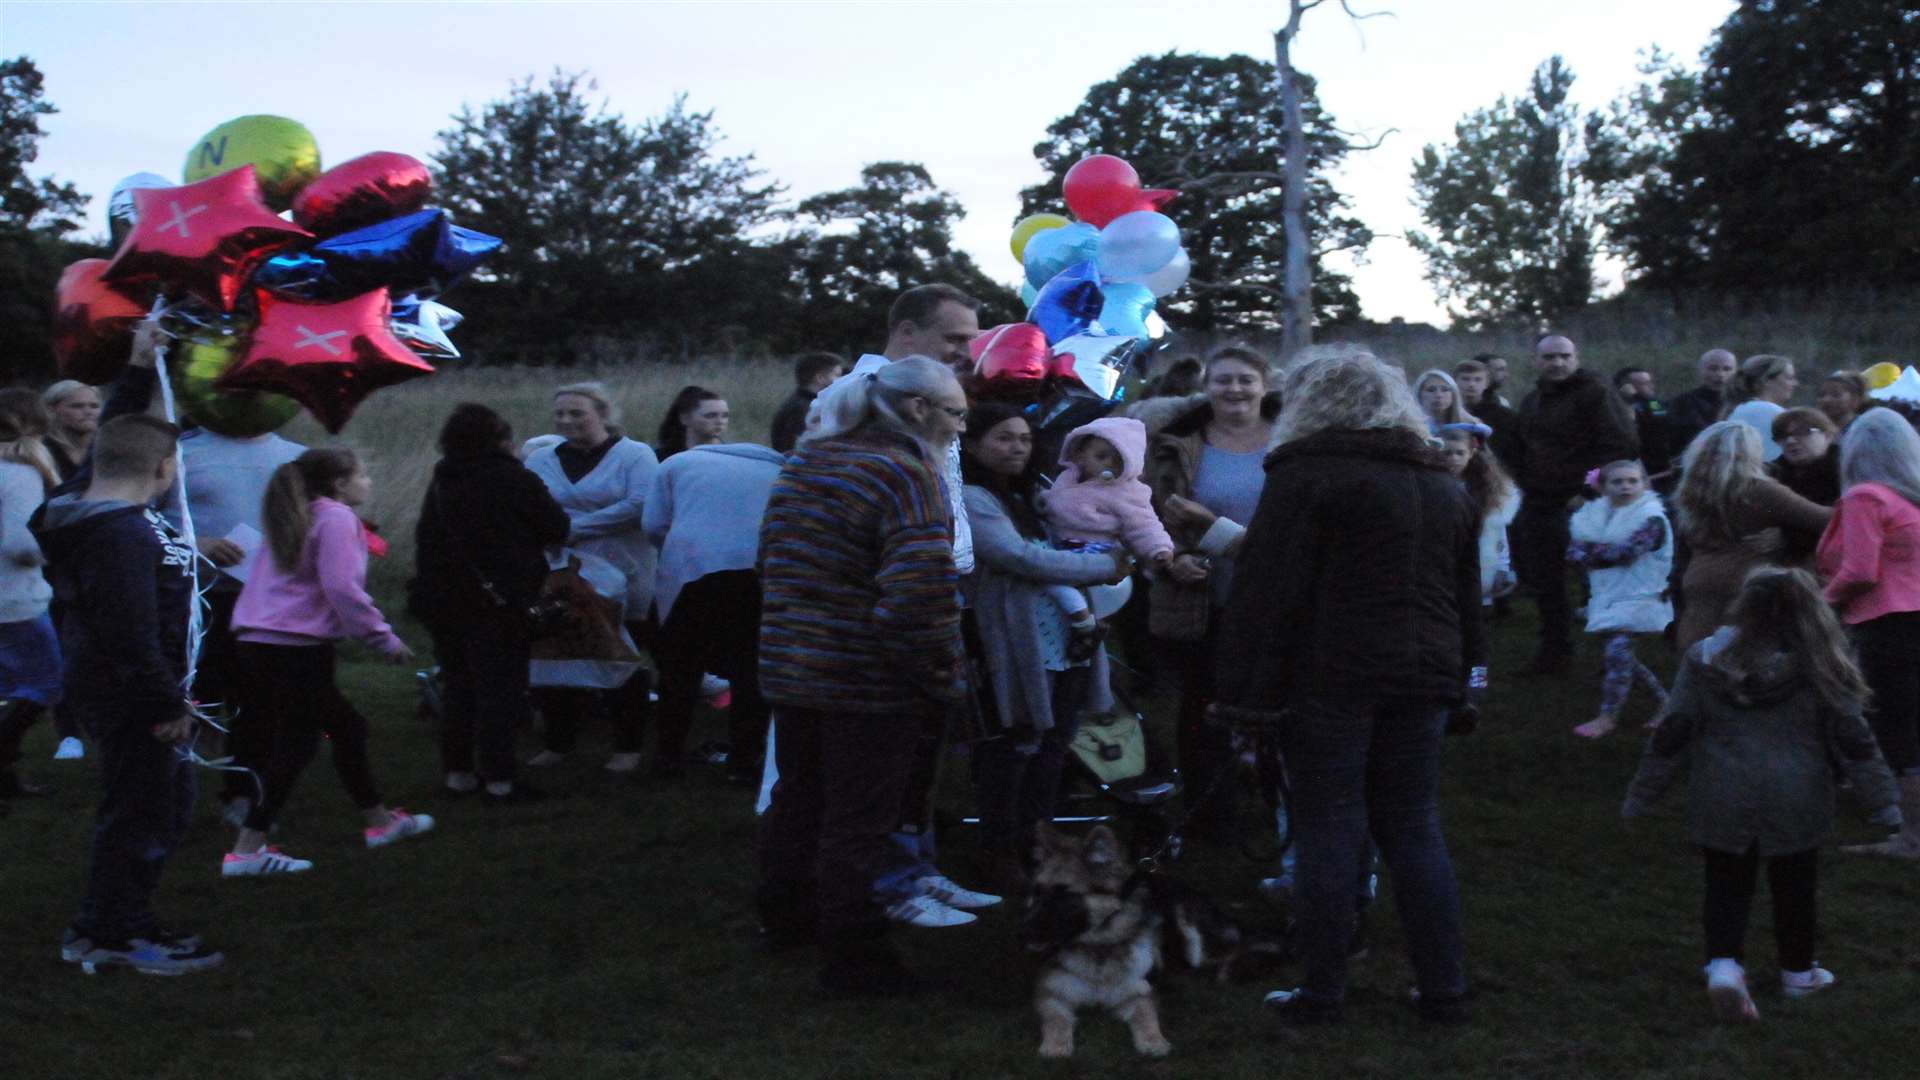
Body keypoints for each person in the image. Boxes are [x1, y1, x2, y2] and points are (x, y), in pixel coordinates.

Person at [1213, 346, 1482, 1026]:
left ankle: (1323, 991)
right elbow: (1465, 597)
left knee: (1329, 825)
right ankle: (1444, 989)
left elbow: (1268, 592)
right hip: (1422, 675)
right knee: (1413, 824)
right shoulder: (1442, 483)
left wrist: (1243, 695)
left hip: (1332, 675)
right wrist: (1464, 679)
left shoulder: (1309, 476)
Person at [754, 357, 968, 994]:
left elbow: (770, 561)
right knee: (858, 821)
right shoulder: (904, 472)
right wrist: (937, 670)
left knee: (798, 800)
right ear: (919, 410)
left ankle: (787, 917)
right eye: (956, 413)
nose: (960, 428)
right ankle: (856, 958)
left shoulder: (807, 460)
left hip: (793, 667)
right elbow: (919, 593)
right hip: (868, 680)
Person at [1622, 568, 1898, 1023]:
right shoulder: (1821, 663)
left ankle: (1725, 967)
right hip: (1798, 796)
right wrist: (1882, 803)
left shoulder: (1705, 658)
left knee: (1725, 882)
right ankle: (1798, 973)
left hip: (1721, 792)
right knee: (1795, 886)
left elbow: (1674, 730)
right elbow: (1854, 740)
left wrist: (1642, 795)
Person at [32, 415, 224, 974]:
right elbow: (128, 631)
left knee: (163, 805)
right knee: (141, 813)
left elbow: (117, 448)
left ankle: (121, 919)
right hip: (133, 696)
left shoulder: (93, 509)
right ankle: (109, 933)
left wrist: (141, 366)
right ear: (166, 468)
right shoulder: (116, 533)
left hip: (138, 690)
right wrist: (164, 704)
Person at [223, 449, 428, 876]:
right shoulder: (335, 518)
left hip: (260, 641)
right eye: (363, 474)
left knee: (344, 726)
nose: (368, 482)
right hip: (294, 646)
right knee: (298, 741)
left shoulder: (298, 515)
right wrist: (383, 639)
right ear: (338, 484)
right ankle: (247, 850)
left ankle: (379, 822)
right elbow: (343, 588)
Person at [960, 402, 1131, 892]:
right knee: (1015, 746)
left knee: (1054, 746)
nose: (1017, 447)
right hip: (1016, 642)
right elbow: (1020, 558)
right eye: (1003, 438)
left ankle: (1041, 844)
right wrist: (1102, 567)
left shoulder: (1036, 495)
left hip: (1066, 637)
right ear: (973, 445)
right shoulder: (974, 498)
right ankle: (998, 849)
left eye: (1024, 439)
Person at [1145, 345, 1279, 840]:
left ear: (1265, 384)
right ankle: (1209, 812)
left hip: (1274, 597)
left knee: (1273, 702)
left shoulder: (1291, 442)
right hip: (1205, 597)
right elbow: (1151, 514)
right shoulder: (1178, 443)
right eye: (1222, 380)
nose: (1234, 390)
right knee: (1202, 705)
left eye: (1245, 379)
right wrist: (1168, 558)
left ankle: (1278, 799)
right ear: (1207, 386)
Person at [411, 404, 571, 803]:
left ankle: (458, 774)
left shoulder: (442, 479)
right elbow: (557, 527)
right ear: (501, 440)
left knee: (458, 687)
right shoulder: (514, 479)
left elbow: (427, 539)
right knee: (499, 692)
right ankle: (500, 779)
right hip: (499, 601)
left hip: (443, 600)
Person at [164, 419, 305, 827]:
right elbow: (145, 517)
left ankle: (242, 793)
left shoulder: (294, 456)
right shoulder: (183, 452)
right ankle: (167, 794)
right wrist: (196, 545)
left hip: (266, 600)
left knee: (258, 700)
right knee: (186, 696)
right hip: (195, 600)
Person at [523, 383, 659, 773]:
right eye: (560, 413)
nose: (566, 420)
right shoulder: (542, 460)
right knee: (553, 653)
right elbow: (531, 504)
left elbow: (639, 504)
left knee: (615, 650)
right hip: (559, 571)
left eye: (577, 413)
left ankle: (628, 745)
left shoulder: (634, 455)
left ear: (602, 413)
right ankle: (559, 741)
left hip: (622, 567)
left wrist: (574, 526)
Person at [642, 436, 784, 786]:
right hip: (757, 572)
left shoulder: (677, 464)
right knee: (750, 671)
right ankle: (745, 760)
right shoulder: (780, 468)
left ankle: (668, 756)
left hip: (694, 570)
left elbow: (653, 524)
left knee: (680, 669)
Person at [1817, 409, 1920, 859]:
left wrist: (1819, 604)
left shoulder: (1866, 497)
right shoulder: (1910, 498)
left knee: (1898, 728)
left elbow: (1860, 570)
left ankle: (1912, 836)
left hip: (1888, 624)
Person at [1504, 334, 1639, 674]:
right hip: (1539, 500)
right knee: (1546, 582)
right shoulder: (1533, 400)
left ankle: (1616, 660)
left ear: (1576, 357)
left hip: (1582, 503)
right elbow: (1525, 447)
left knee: (1601, 582)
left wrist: (1589, 489)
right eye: (1549, 357)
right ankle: (1555, 652)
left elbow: (1619, 445)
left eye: (1564, 356)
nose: (1557, 363)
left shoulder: (1596, 393)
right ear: (1536, 361)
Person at [1671, 422, 1830, 653]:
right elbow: (1826, 520)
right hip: (1745, 587)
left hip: (1698, 588)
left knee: (1701, 667)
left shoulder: (1690, 494)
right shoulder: (1758, 491)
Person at [1032, 416, 1173, 657]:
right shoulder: (1068, 478)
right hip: (1062, 543)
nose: (1109, 465)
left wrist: (1157, 547)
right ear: (1080, 454)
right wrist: (1042, 501)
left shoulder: (1126, 491)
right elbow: (1059, 504)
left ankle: (1084, 625)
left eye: (1119, 461)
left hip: (1094, 547)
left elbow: (1143, 522)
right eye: (1101, 456)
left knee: (1053, 580)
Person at [1565, 461, 1673, 738]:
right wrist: (1596, 552)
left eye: (1632, 481)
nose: (1626, 486)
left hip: (1640, 596)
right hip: (1610, 595)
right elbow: (1572, 551)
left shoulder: (1651, 518)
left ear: (1643, 484)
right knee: (1624, 658)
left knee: (1618, 653)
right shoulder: (1595, 516)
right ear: (1603, 486)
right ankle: (1668, 705)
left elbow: (1625, 553)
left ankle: (1608, 716)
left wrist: (1589, 552)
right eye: (1618, 482)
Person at [0, 390, 62, 801]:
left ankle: (5, 778)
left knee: (10, 688)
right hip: (15, 598)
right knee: (48, 681)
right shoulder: (19, 472)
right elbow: (21, 546)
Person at [1438, 424, 1518, 606]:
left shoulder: (1485, 490)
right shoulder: (1431, 484)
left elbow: (1497, 531)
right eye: (1447, 453)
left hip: (1476, 559)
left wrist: (1502, 566)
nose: (1453, 459)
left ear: (1471, 453)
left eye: (1459, 453)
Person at [1722, 354, 1800, 461]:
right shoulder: (1769, 411)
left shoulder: (1741, 408)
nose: (1795, 384)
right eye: (1789, 378)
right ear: (1766, 380)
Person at [1667, 349, 1738, 461]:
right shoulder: (1682, 403)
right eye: (1713, 368)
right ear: (1700, 370)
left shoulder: (1743, 403)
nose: (1720, 374)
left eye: (1727, 369)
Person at [771, 353, 847, 454]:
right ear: (820, 378)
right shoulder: (804, 409)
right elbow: (792, 450)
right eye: (837, 375)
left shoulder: (799, 403)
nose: (842, 380)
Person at [1768, 408, 1842, 506]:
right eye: (1782, 435)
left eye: (1801, 432)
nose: (1790, 441)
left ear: (1827, 435)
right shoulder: (1771, 474)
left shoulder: (1847, 472)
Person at [1615, 367, 1675, 484]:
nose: (1650, 386)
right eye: (1644, 383)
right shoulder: (1618, 405)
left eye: (1650, 382)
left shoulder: (1653, 402)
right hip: (1632, 463)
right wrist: (1628, 400)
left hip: (1659, 461)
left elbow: (1661, 419)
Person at [39, 380, 100, 483]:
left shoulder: (105, 448)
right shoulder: (42, 451)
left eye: (94, 406)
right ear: (51, 410)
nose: (88, 412)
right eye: (77, 406)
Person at [1452, 359, 1514, 450]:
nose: (1471, 384)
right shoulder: (1445, 411)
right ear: (1454, 382)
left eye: (1478, 380)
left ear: (1486, 383)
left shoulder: (1503, 416)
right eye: (1465, 379)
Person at [656, 385, 729, 460]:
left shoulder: (732, 455)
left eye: (725, 416)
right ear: (685, 419)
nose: (720, 421)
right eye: (710, 416)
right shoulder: (664, 458)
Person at [1413, 369, 1474, 433]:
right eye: (1431, 390)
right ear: (1419, 395)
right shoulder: (1411, 427)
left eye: (1445, 390)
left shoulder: (1473, 427)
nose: (1438, 395)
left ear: (1453, 394)